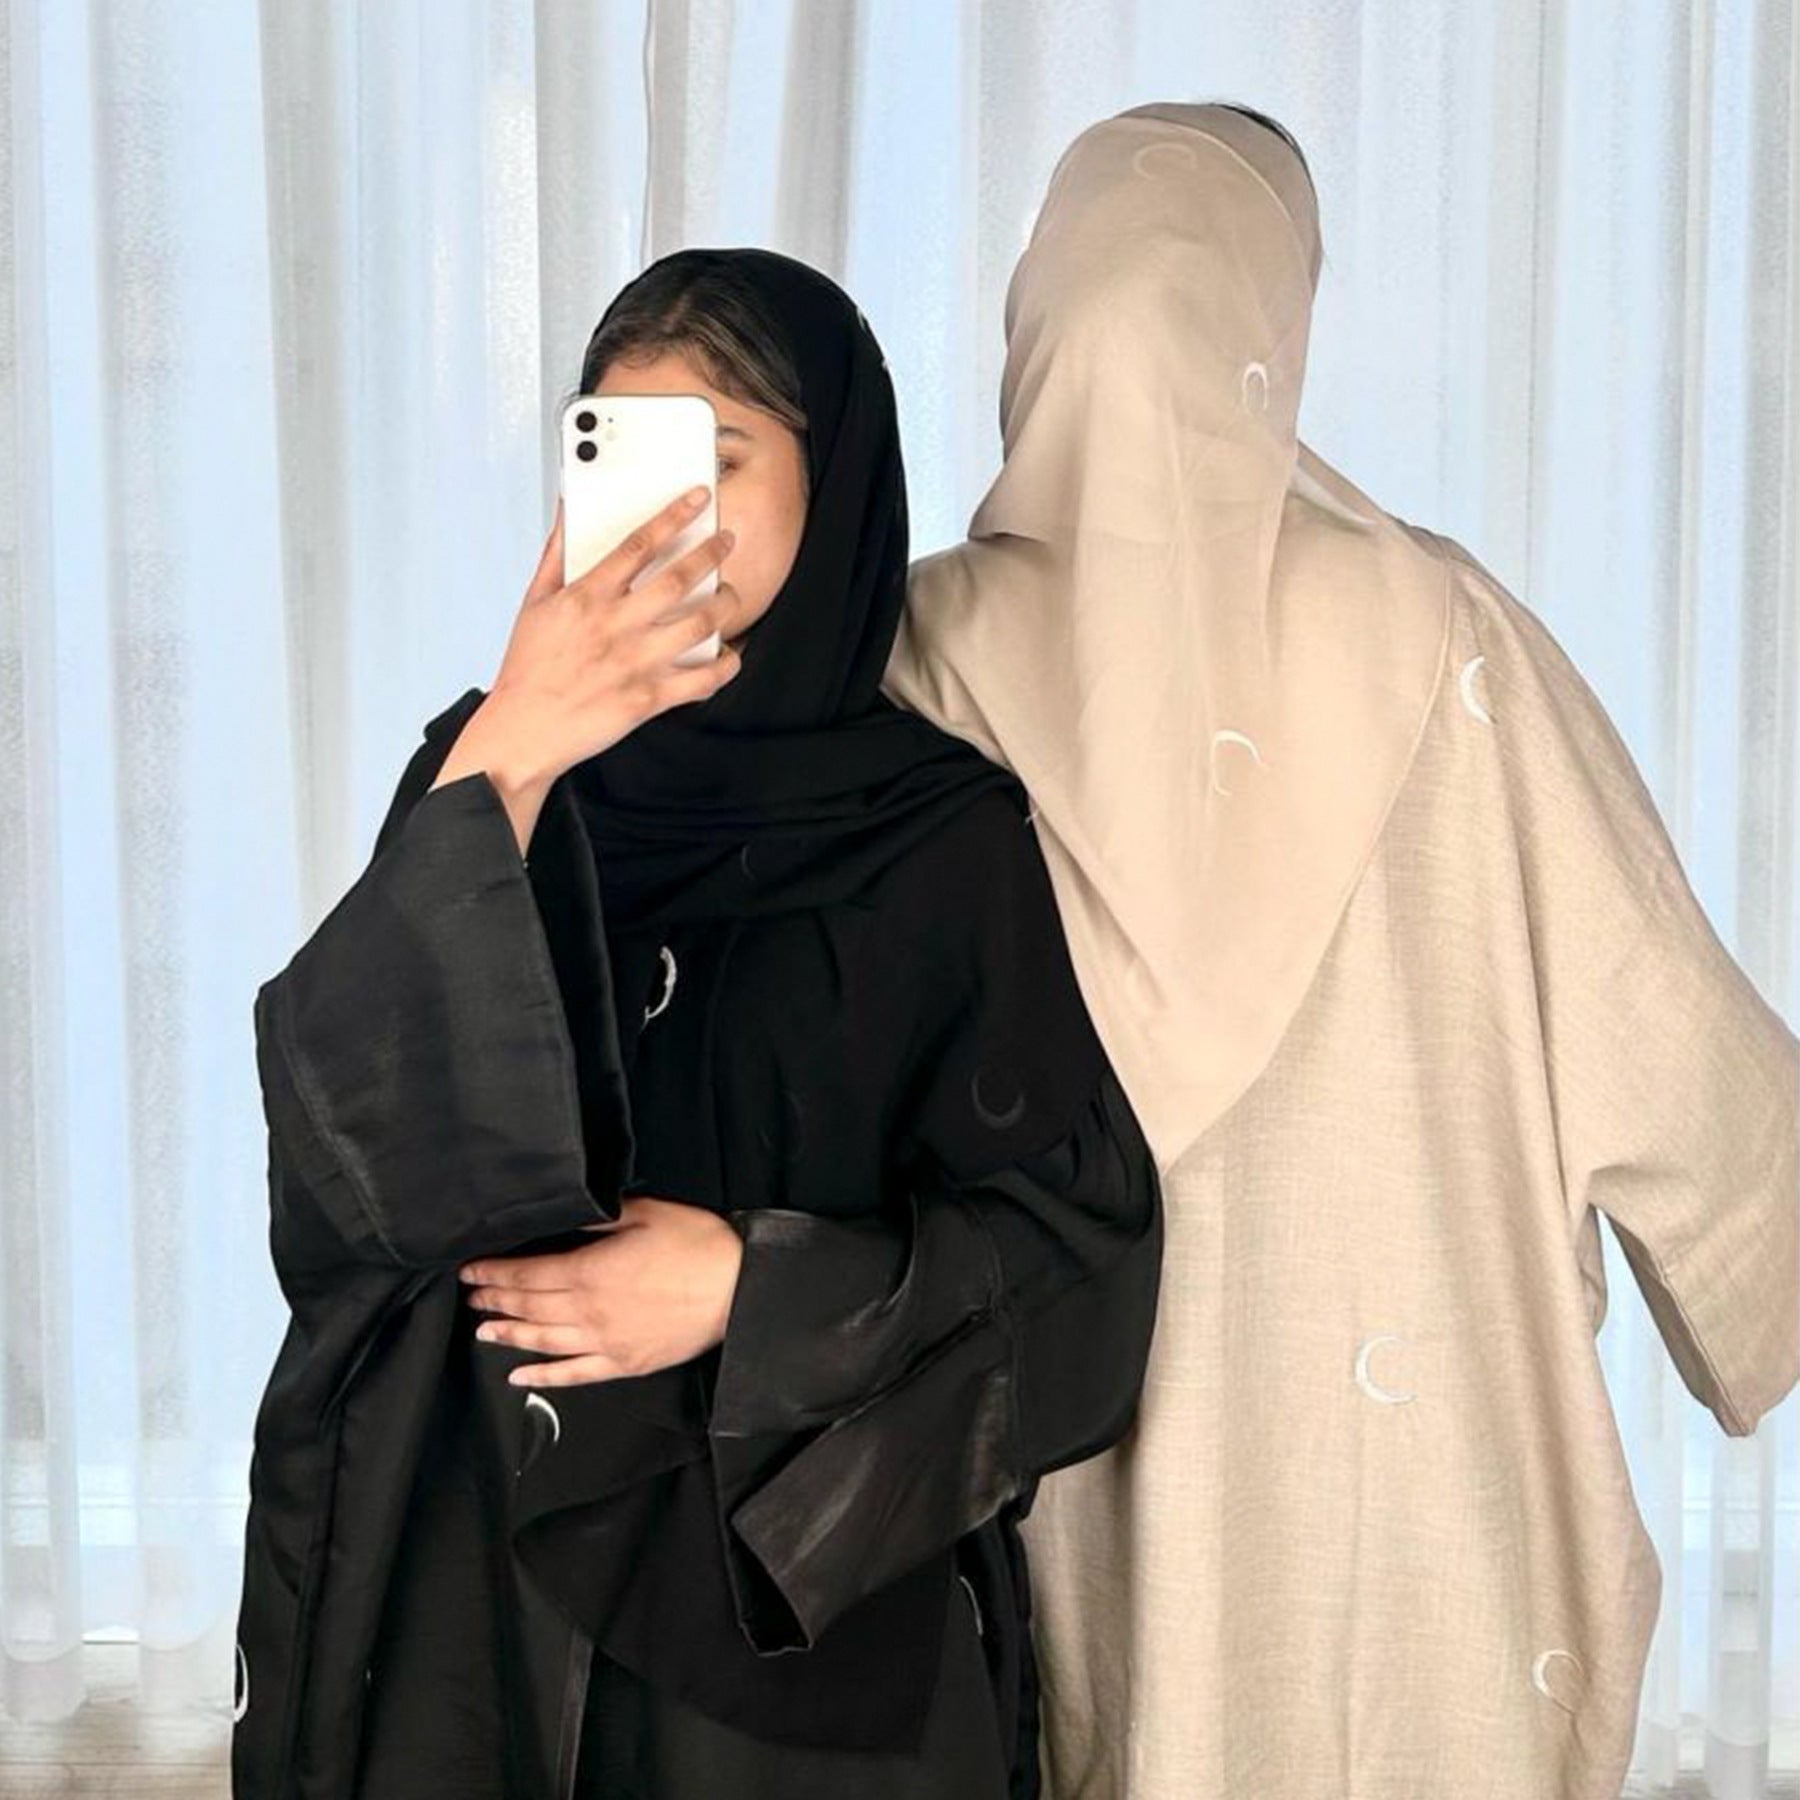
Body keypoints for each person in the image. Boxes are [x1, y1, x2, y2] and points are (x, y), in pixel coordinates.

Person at [882, 102, 1799, 1800]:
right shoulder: (1449, 641)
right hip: (1448, 1565)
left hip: (1083, 1559)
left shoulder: (912, 661)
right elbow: (1692, 1079)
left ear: (1040, 309)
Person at [227, 245, 1162, 1800]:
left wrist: (750, 1286)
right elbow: (342, 1173)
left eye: (718, 460)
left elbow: (1082, 1258)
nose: (668, 518)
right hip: (481, 1610)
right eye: (621, 458)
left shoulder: (939, 838)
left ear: (834, 482)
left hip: (795, 1640)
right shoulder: (491, 778)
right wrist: (512, 753)